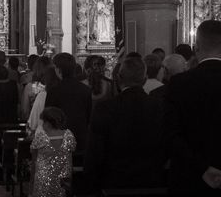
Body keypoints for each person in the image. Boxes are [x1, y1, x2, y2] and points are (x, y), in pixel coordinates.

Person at [84, 56, 166, 192]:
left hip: (113, 183)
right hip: (151, 182)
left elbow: (94, 152)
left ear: (119, 79)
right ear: (144, 80)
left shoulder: (105, 108)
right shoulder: (159, 106)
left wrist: (91, 185)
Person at [165, 20, 221, 196]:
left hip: (189, 179)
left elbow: (170, 134)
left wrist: (204, 168)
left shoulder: (178, 84)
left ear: (196, 48)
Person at [45, 53, 92, 153]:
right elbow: (88, 117)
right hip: (81, 140)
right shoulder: (85, 90)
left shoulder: (54, 91)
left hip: (59, 141)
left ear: (58, 70)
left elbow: (48, 118)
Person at [30, 107, 76, 197]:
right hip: (63, 181)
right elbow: (70, 162)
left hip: (43, 182)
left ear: (48, 123)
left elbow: (34, 164)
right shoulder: (68, 136)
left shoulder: (41, 137)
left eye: (43, 122)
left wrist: (31, 188)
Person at [28, 66, 60, 132]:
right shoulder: (64, 93)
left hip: (43, 135)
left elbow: (33, 122)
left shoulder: (42, 95)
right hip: (61, 135)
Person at [22, 56, 51, 121]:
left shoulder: (30, 87)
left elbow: (25, 110)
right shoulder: (53, 87)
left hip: (34, 122)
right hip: (51, 123)